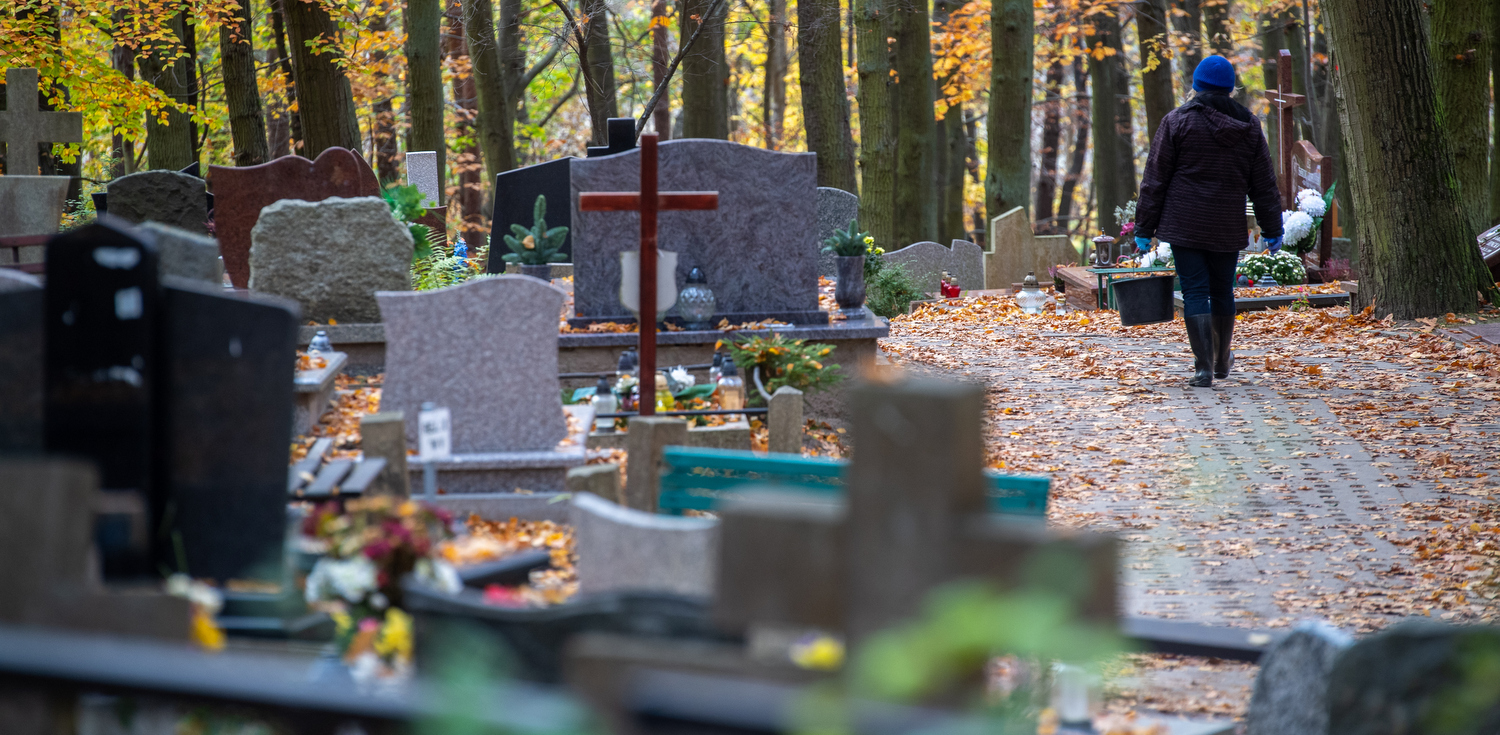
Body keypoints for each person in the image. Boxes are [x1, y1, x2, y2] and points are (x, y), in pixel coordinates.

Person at [1133, 55, 1283, 388]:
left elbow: (1155, 179)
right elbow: (1263, 184)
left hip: (1185, 224)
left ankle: (1203, 369)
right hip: (1226, 224)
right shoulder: (1249, 127)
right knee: (1223, 290)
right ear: (1231, 89)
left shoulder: (1177, 121)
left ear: (1196, 86)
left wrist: (1144, 227)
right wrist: (1272, 227)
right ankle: (1221, 361)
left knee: (1195, 291)